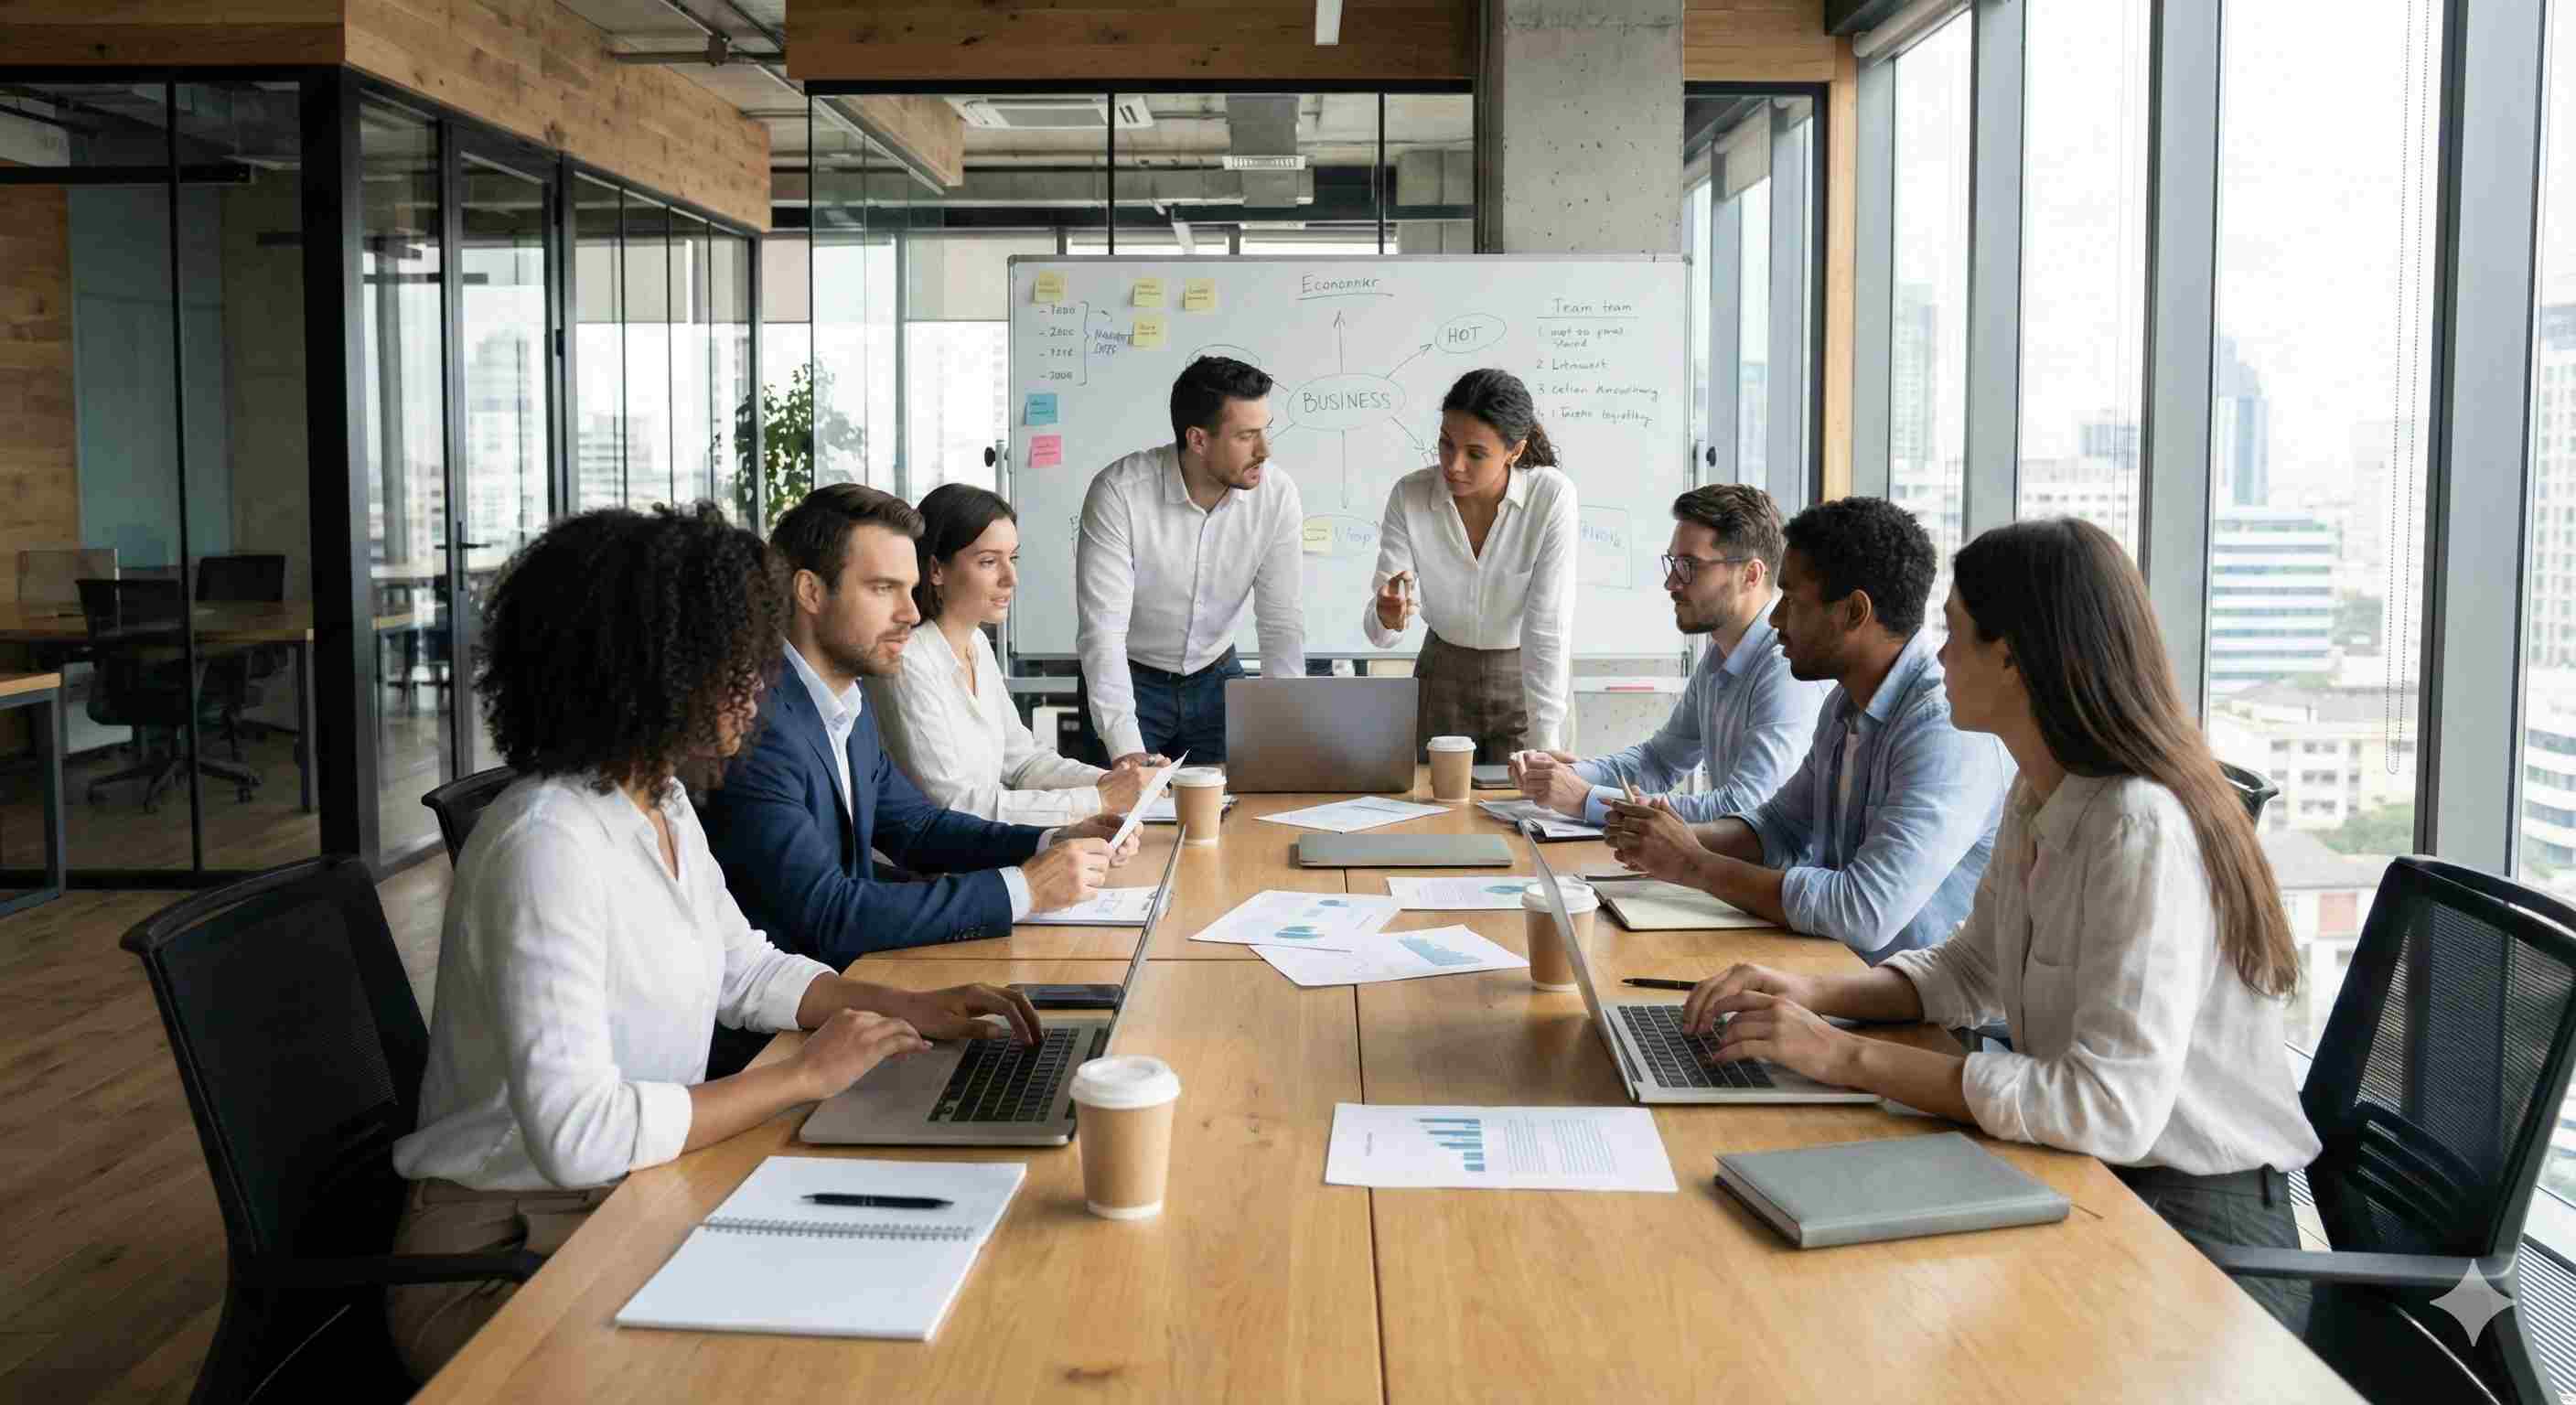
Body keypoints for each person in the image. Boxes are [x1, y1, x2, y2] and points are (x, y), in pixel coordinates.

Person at [387, 503, 1043, 1381]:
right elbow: (580, 1134)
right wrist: (803, 1076)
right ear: (648, 668)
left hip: (624, 1198)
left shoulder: (654, 798)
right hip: (509, 1260)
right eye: (731, 657)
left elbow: (745, 968)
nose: (756, 681)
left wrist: (905, 1007)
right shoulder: (548, 840)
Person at [1679, 517, 2320, 1329]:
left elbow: (2109, 1106)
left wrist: (1840, 1054)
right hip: (2091, 1172)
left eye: (1955, 632)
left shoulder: (2138, 825)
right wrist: (1808, 992)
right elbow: (1970, 971)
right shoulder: (2040, 788)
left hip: (2196, 1227)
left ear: (2014, 656)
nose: (1938, 655)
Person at [698, 484, 1140, 977]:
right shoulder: (756, 727)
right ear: (811, 593)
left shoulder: (846, 699)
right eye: (884, 588)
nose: (910, 613)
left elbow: (918, 828)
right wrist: (1026, 888)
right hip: (793, 1014)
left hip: (857, 980)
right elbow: (827, 913)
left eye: (909, 591)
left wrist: (1048, 842)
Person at [1603, 496, 2012, 962]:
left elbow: (1863, 911)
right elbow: (1779, 827)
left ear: (1855, 612)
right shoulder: (1844, 702)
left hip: (1922, 1016)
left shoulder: (1943, 729)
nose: (1775, 621)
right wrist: (1668, 839)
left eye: (1791, 602)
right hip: (1842, 972)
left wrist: (1692, 863)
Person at [1511, 483, 1827, 824]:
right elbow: (1659, 761)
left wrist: (1587, 799)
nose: (1671, 583)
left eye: (1689, 566)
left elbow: (1747, 806)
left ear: (1750, 575)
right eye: (1673, 563)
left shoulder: (1785, 667)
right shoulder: (1718, 657)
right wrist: (1567, 773)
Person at [871, 483, 1165, 827]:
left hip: (984, 850)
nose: (1011, 578)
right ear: (936, 569)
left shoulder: (977, 644)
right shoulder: (909, 661)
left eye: (1012, 558)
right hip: (935, 868)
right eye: (988, 562)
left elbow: (1024, 762)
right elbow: (953, 805)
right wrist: (1099, 799)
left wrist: (1111, 782)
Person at [1077, 355, 1306, 766]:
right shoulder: (1119, 493)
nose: (1264, 451)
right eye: (1246, 436)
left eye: (1265, 432)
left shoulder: (1277, 496)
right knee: (1125, 821)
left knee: (1235, 818)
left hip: (1217, 677)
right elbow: (1102, 634)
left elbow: (1280, 622)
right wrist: (1127, 751)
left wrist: (1284, 730)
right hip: (1130, 683)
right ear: (1198, 440)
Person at [1362, 369, 1579, 759]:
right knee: (1434, 812)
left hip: (1527, 677)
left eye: (1476, 454)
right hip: (1442, 674)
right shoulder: (1410, 494)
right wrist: (1388, 614)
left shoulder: (1550, 496)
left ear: (1515, 451)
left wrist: (1545, 742)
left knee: (1526, 811)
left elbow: (1547, 624)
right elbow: (1382, 633)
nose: (1454, 464)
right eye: (1446, 444)